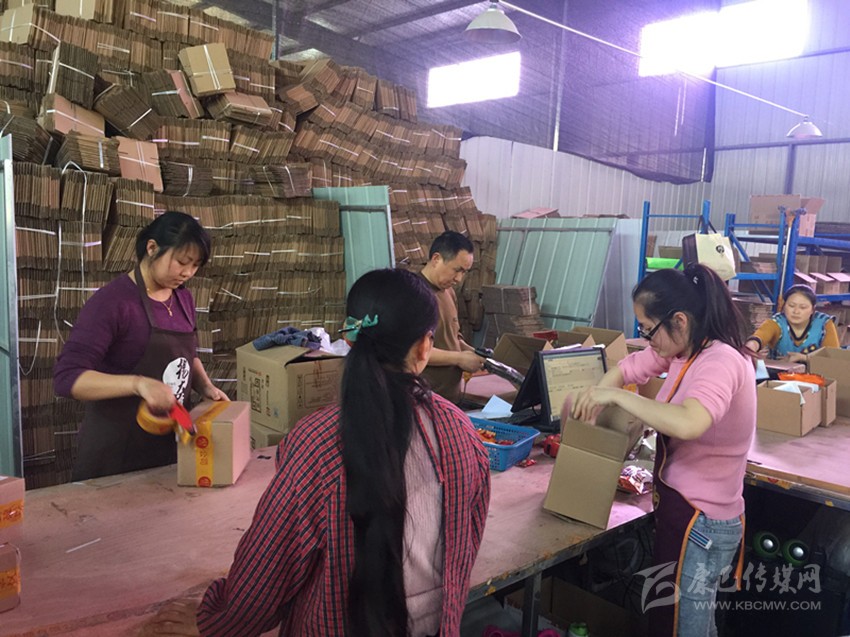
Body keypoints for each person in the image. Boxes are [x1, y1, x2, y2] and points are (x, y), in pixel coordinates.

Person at [141, 268, 491, 636]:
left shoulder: (318, 443)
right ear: (423, 347)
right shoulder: (461, 433)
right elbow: (464, 551)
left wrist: (215, 622)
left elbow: (269, 571)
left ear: (350, 339)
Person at [570, 264, 757, 637]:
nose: (646, 338)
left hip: (701, 523)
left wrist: (618, 398)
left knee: (682, 629)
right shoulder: (683, 350)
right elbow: (628, 368)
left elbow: (690, 422)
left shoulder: (720, 361)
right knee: (686, 624)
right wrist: (597, 398)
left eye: (647, 329)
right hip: (684, 509)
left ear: (680, 321)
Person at [53, 211, 228, 481]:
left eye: (195, 266)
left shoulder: (183, 299)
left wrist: (205, 386)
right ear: (152, 248)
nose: (188, 273)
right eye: (182, 262)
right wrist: (139, 384)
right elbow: (67, 378)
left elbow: (186, 354)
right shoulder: (112, 303)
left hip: (168, 447)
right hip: (116, 455)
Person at [418, 231, 485, 404]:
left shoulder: (448, 292)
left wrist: (472, 352)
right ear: (436, 259)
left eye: (464, 272)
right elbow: (413, 350)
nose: (459, 279)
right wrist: (459, 358)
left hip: (450, 399)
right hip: (424, 400)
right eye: (457, 270)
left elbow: (453, 337)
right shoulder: (415, 294)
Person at [745, 283, 839, 364]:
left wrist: (804, 358)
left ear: (812, 310)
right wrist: (750, 348)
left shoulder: (824, 323)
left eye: (803, 307)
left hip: (816, 376)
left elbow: (835, 358)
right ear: (784, 305)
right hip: (779, 375)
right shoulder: (777, 322)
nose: (796, 311)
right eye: (791, 306)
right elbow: (759, 337)